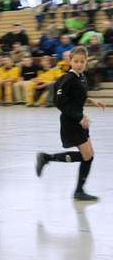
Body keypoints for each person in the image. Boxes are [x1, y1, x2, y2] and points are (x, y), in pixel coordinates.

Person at [35, 46, 105, 201]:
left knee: (89, 156)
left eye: (82, 61)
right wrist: (79, 118)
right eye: (76, 61)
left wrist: (91, 100)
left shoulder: (81, 77)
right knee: (87, 156)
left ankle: (79, 190)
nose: (79, 64)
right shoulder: (68, 79)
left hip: (79, 120)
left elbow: (77, 95)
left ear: (86, 61)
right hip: (71, 121)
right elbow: (59, 102)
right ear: (70, 61)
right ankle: (47, 158)